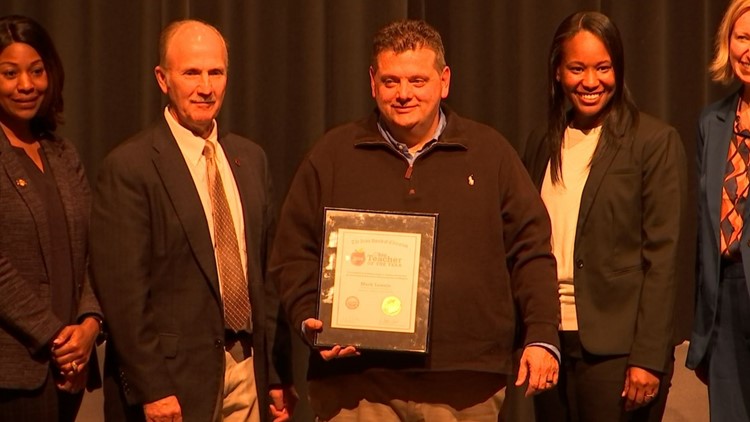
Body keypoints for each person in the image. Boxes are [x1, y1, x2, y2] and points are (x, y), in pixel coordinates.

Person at [270, 19, 560, 421]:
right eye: (391, 81)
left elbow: (532, 252)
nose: (404, 94)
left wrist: (543, 334)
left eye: (417, 81)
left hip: (464, 386)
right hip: (356, 385)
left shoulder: (490, 153)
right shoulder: (332, 155)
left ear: (444, 81)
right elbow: (292, 255)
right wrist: (310, 320)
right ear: (372, 82)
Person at [89, 19, 296, 422]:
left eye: (215, 72)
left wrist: (274, 373)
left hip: (246, 372)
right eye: (191, 73)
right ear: (163, 79)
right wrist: (154, 388)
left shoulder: (250, 159)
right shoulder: (130, 167)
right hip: (173, 387)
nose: (206, 87)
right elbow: (124, 295)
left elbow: (268, 276)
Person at [522, 11, 686, 422]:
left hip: (618, 350)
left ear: (619, 69)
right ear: (558, 72)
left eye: (603, 68)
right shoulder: (542, 141)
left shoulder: (654, 141)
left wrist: (648, 358)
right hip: (552, 342)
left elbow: (663, 259)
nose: (590, 81)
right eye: (577, 68)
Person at [0, 14, 104, 421]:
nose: (26, 85)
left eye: (36, 71)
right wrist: (57, 336)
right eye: (9, 73)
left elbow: (93, 252)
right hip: (13, 373)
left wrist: (90, 326)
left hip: (69, 369)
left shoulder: (63, 154)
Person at [687, 0, 750, 419]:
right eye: (742, 37)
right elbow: (703, 236)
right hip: (725, 305)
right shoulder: (712, 122)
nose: (749, 49)